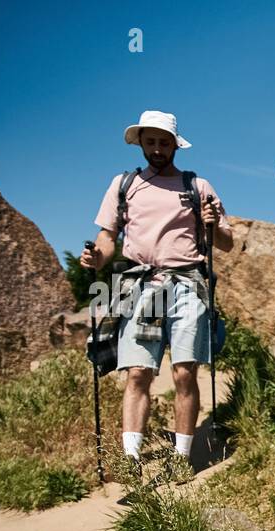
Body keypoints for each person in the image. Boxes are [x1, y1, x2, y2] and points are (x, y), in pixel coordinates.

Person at [79, 109, 232, 469]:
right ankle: (130, 461)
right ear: (141, 144)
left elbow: (225, 242)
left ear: (175, 145)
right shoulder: (124, 185)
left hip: (187, 284)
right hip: (141, 286)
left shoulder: (198, 186)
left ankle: (182, 458)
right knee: (137, 372)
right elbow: (106, 239)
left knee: (184, 372)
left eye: (165, 142)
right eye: (151, 142)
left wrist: (213, 225)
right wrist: (95, 259)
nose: (158, 149)